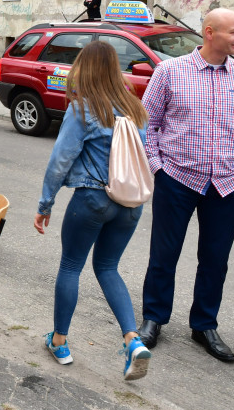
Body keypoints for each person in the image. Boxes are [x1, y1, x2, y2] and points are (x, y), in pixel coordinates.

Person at [138, 8, 234, 362]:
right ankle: (154, 318)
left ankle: (204, 324)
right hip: (177, 178)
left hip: (228, 184)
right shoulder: (170, 71)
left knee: (215, 259)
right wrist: (157, 167)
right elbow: (147, 124)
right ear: (210, 33)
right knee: (164, 255)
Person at [35, 41, 152, 381]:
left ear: (83, 68)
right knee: (108, 268)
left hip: (92, 198)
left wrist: (46, 204)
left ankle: (59, 342)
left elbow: (60, 162)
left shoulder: (83, 109)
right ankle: (132, 340)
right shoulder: (135, 108)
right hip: (129, 204)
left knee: (71, 266)